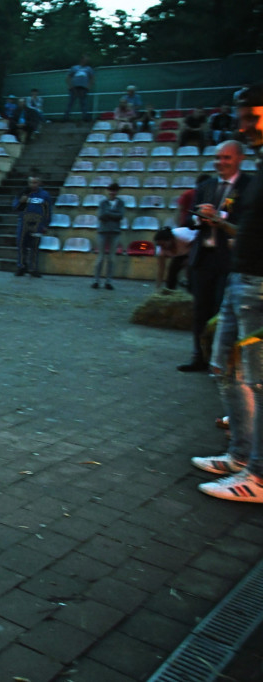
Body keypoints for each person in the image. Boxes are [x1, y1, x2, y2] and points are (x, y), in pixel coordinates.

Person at [193, 84, 263, 502]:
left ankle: (257, 475)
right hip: (243, 279)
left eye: (253, 117)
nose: (245, 126)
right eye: (243, 118)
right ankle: (239, 456)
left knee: (259, 378)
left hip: (260, 284)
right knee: (227, 369)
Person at [180, 140, 253, 372]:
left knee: (226, 313)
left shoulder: (250, 186)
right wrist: (198, 218)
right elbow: (188, 221)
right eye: (217, 157)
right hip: (204, 258)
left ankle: (225, 363)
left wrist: (221, 221)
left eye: (226, 158)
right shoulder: (206, 186)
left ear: (240, 159)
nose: (220, 162)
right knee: (201, 309)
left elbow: (247, 224)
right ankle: (200, 357)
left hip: (231, 261)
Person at [13, 175, 52, 277]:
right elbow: (14, 207)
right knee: (21, 245)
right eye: (31, 182)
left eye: (35, 182)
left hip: (38, 223)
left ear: (39, 183)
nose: (33, 185)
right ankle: (21, 266)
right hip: (24, 221)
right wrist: (21, 201)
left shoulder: (44, 195)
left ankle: (33, 269)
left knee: (35, 246)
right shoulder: (23, 193)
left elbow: (48, 211)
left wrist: (46, 225)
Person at [92, 183, 124, 290]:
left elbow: (120, 216)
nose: (112, 193)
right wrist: (113, 214)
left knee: (111, 258)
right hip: (103, 231)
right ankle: (96, 280)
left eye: (114, 191)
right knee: (100, 257)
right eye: (111, 190)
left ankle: (108, 281)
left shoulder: (120, 203)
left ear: (117, 192)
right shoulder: (103, 202)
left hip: (114, 231)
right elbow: (101, 216)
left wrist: (108, 213)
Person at [154, 226, 195, 291]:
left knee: (192, 273)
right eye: (160, 245)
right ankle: (170, 293)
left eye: (163, 244)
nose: (162, 247)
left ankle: (193, 293)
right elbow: (161, 268)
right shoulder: (161, 250)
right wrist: (158, 286)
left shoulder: (182, 236)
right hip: (180, 254)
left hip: (197, 250)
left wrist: (190, 257)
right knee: (171, 274)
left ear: (170, 240)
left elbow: (197, 242)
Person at [64, 55, 94, 122]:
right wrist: (70, 86)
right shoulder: (74, 68)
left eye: (87, 60)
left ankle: (85, 118)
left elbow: (92, 78)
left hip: (83, 88)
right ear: (81, 59)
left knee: (83, 103)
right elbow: (68, 77)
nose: (86, 61)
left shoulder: (89, 69)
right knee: (70, 103)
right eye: (85, 59)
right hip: (74, 88)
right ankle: (65, 117)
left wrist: (88, 87)